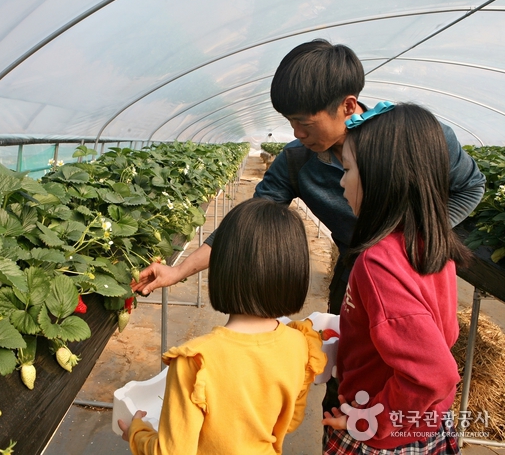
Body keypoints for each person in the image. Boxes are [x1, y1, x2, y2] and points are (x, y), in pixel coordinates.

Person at [131, 38, 485, 412]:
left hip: (415, 269)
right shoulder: (298, 160)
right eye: (289, 122)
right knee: (348, 375)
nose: (296, 132)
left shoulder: (414, 138)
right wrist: (179, 270)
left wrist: (418, 236)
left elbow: (471, 185)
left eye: (304, 122)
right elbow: (247, 221)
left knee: (409, 367)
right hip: (355, 270)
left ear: (347, 106)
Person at [118, 198, 327, 454]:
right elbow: (290, 422)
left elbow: (172, 451)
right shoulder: (300, 344)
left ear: (222, 268)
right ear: (295, 271)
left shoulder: (197, 361)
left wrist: (137, 432)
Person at [321, 102, 468, 453]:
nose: (341, 182)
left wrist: (373, 423)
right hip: (423, 422)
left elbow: (432, 373)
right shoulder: (429, 244)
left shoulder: (377, 263)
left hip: (382, 434)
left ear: (382, 177)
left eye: (347, 169)